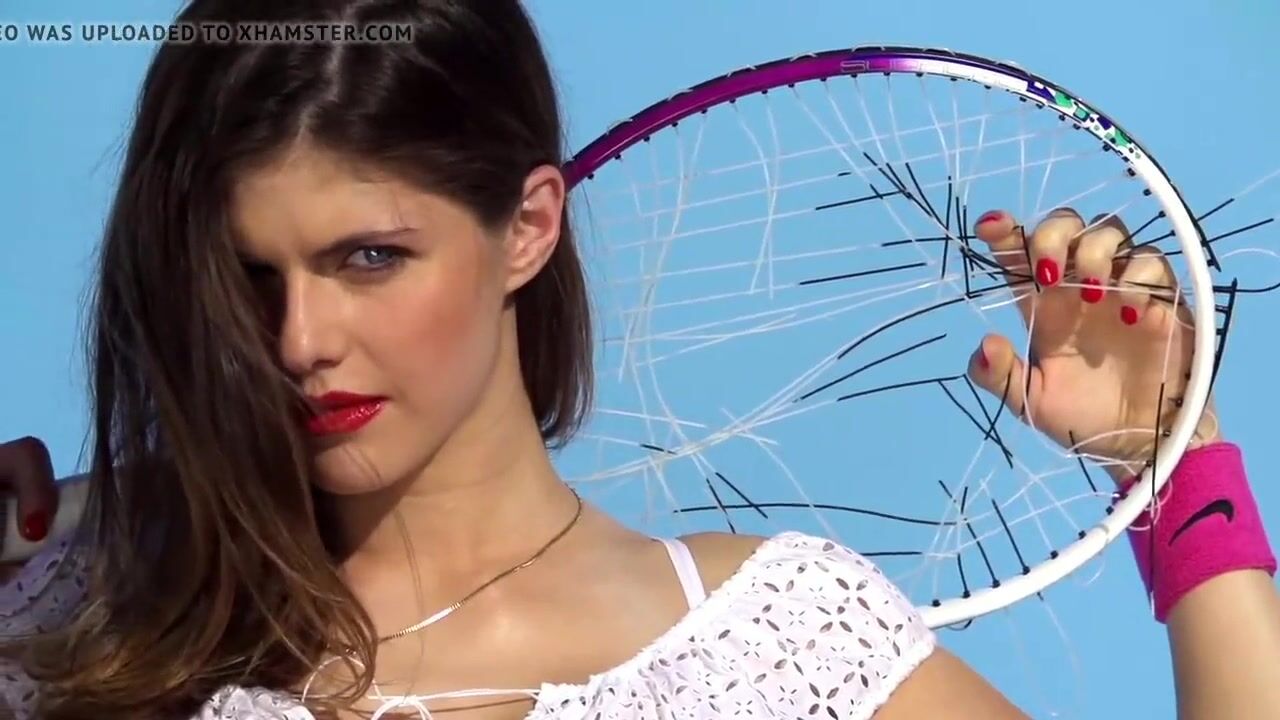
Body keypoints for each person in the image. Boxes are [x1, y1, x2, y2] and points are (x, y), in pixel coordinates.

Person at [2, 1, 1279, 718]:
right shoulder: (84, 610)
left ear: (526, 227)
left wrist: (1176, 468)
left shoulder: (777, 647)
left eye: (370, 258)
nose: (297, 341)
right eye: (246, 276)